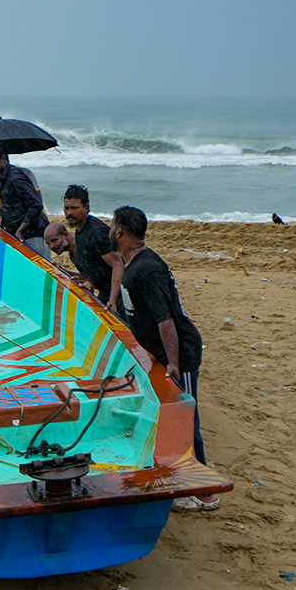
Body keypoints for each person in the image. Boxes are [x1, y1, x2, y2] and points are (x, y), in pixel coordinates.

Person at [108, 205, 217, 510]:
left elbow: (166, 319)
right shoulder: (134, 263)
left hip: (179, 353)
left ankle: (205, 492)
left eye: (112, 225)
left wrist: (173, 363)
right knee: (171, 419)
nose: (110, 229)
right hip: (159, 352)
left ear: (120, 232)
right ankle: (182, 479)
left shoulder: (147, 269)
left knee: (186, 421)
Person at [0, 142, 50, 258]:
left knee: (37, 274)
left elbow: (36, 205)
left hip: (34, 236)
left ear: (4, 159)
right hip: (19, 238)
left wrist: (20, 231)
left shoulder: (16, 178)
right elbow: (2, 216)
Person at [59, 184, 124, 308]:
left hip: (117, 294)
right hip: (104, 291)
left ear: (86, 207)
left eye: (74, 208)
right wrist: (91, 282)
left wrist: (113, 300)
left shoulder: (97, 233)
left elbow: (118, 264)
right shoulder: (80, 228)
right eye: (66, 208)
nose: (69, 213)